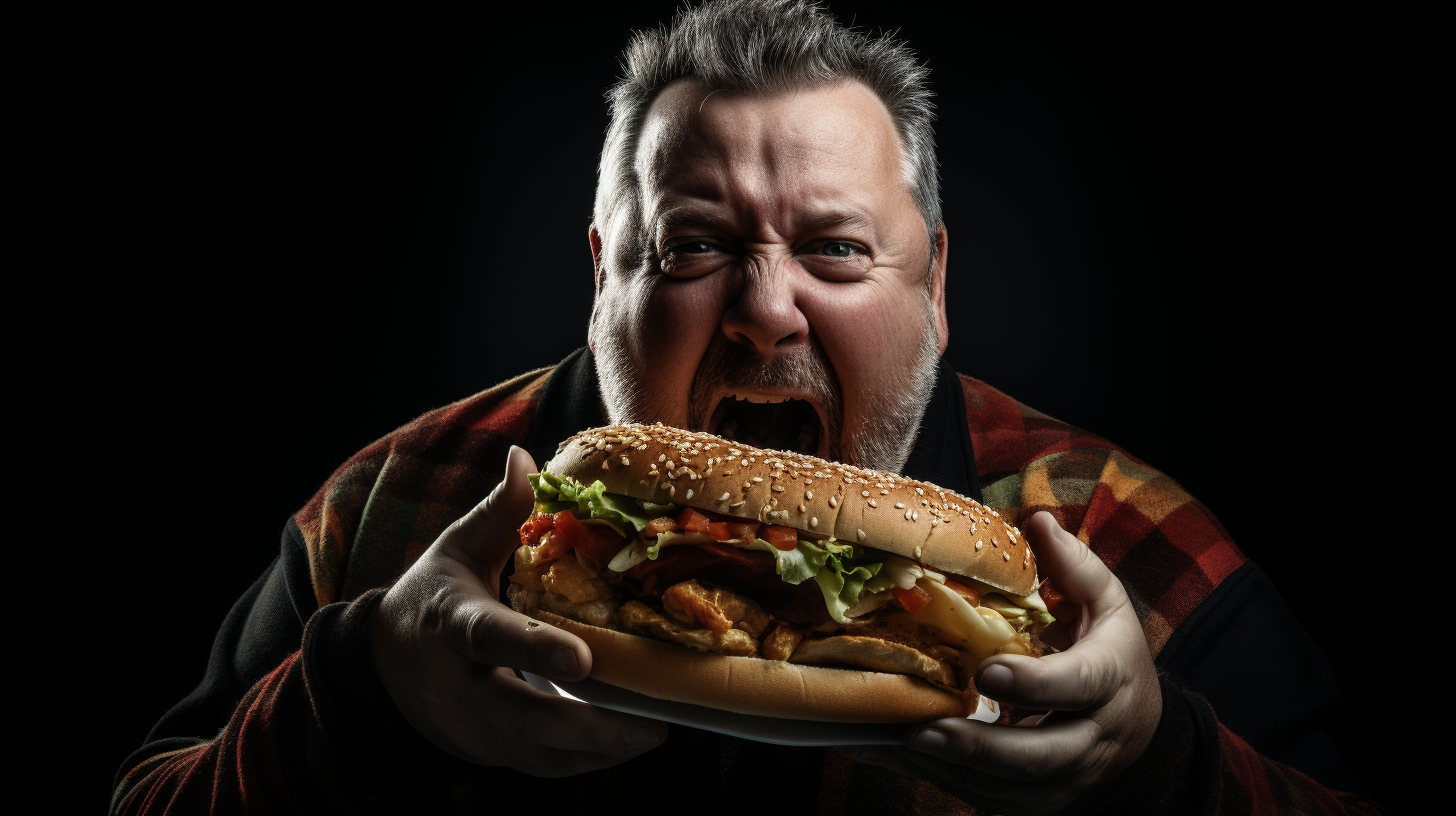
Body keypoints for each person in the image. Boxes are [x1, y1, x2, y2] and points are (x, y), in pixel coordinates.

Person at [111, 2, 1391, 814]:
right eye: (692, 249)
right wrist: (374, 696)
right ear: (601, 274)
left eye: (835, 251)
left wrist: (1152, 764)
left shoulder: (1115, 534)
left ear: (936, 286)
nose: (766, 313)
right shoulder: (392, 505)